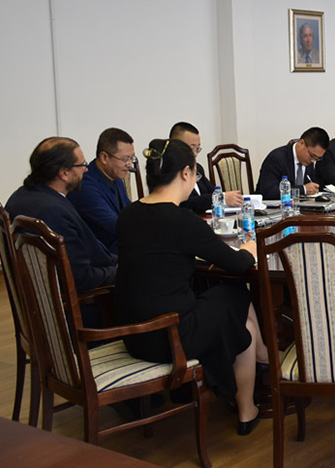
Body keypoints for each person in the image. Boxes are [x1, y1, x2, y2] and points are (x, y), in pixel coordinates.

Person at [115, 138, 266, 435]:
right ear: (186, 173)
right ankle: (254, 390)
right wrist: (250, 248)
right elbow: (237, 264)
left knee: (235, 311)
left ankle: (258, 374)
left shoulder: (128, 214)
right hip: (171, 336)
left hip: (133, 333)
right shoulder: (182, 220)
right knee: (237, 301)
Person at [6, 137, 117, 293]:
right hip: (87, 301)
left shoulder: (20, 196)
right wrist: (120, 272)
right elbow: (80, 278)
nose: (86, 170)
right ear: (64, 173)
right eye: (82, 165)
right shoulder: (53, 211)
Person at [67, 127, 135, 254]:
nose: (130, 164)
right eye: (125, 159)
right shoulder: (85, 185)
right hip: (102, 255)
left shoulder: (115, 176)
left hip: (121, 245)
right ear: (104, 157)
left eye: (132, 158)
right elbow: (115, 225)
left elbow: (129, 211)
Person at [170, 121, 244, 213]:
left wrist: (223, 197)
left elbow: (212, 192)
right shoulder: (169, 173)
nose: (195, 154)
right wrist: (221, 198)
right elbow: (184, 203)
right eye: (191, 149)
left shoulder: (198, 168)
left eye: (197, 149)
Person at [255, 127, 329, 199]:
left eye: (317, 158)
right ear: (301, 143)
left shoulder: (309, 161)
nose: (313, 161)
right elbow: (268, 192)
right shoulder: (276, 158)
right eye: (312, 156)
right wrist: (303, 189)